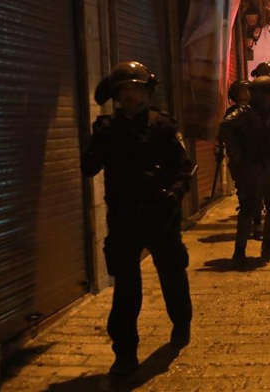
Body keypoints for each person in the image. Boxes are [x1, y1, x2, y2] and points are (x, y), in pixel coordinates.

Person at [80, 61, 195, 377]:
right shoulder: (106, 129)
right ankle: (125, 354)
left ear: (147, 92)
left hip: (161, 215)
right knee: (126, 289)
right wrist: (96, 139)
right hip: (124, 218)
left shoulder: (163, 126)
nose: (131, 95)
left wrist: (174, 194)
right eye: (124, 90)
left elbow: (184, 169)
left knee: (172, 274)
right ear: (116, 95)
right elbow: (88, 168)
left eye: (136, 88)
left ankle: (181, 322)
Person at [218, 75, 270, 265]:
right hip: (251, 164)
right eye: (269, 94)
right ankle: (239, 251)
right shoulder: (246, 112)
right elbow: (225, 125)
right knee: (249, 207)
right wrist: (235, 152)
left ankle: (267, 243)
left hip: (268, 162)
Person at [214, 80, 263, 240]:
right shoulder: (232, 113)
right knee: (244, 193)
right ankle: (248, 223)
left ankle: (257, 224)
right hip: (240, 160)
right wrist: (221, 148)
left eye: (248, 91)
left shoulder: (257, 111)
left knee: (258, 192)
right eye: (242, 92)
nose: (245, 95)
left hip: (257, 157)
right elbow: (223, 132)